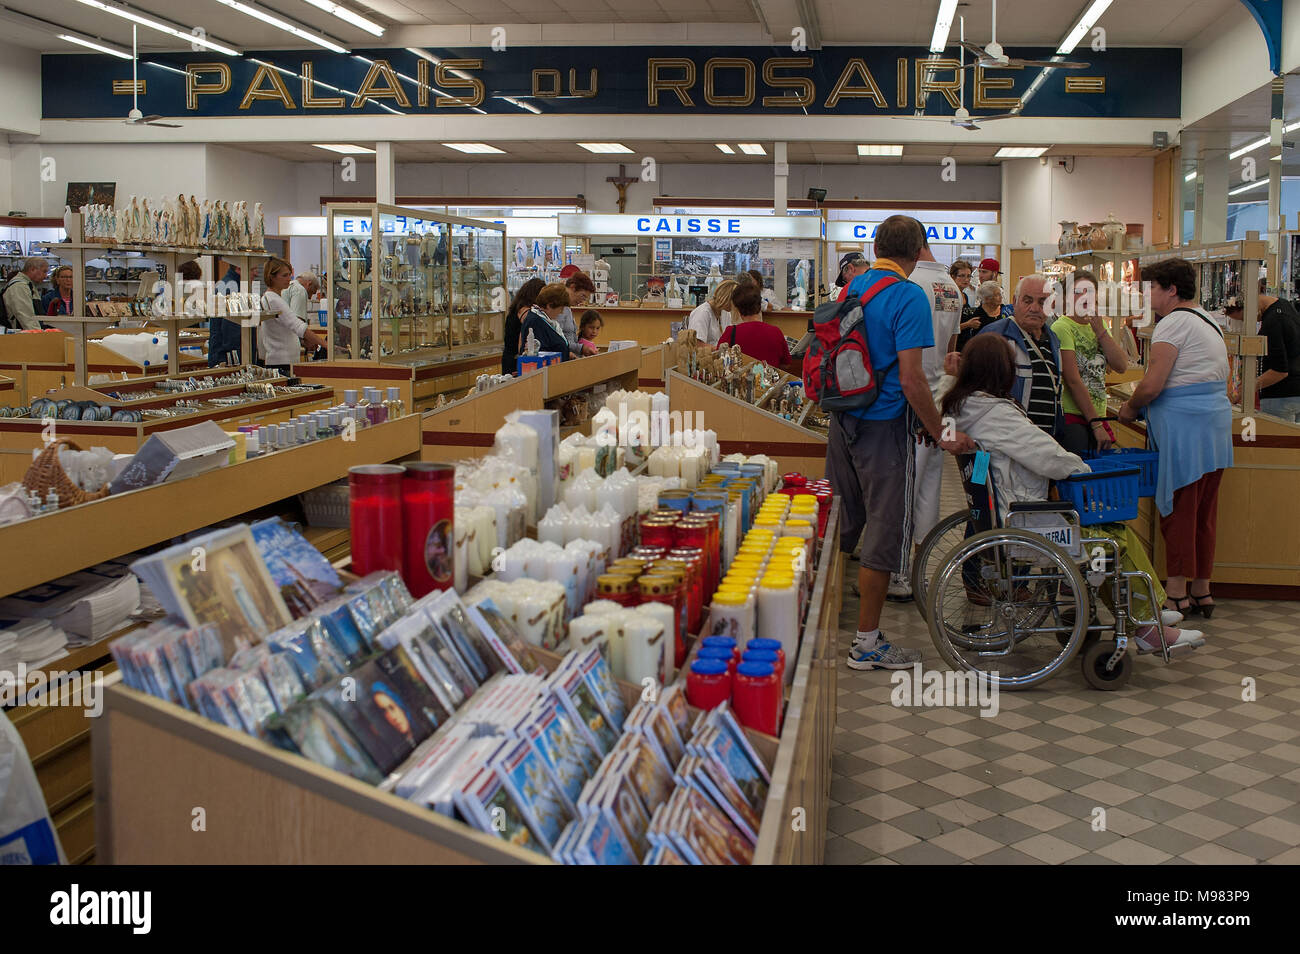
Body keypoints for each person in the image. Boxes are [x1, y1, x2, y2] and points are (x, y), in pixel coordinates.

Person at [944, 334, 1202, 652]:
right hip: (1025, 521)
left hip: (1006, 513)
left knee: (1109, 539)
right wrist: (1081, 469)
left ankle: (1145, 615)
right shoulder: (996, 414)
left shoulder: (965, 405)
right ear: (1003, 372)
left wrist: (949, 373)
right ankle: (1146, 624)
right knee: (1114, 539)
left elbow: (940, 397)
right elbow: (1046, 455)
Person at [823, 215, 973, 672]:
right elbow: (912, 379)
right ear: (919, 249)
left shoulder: (853, 288)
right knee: (886, 531)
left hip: (842, 419)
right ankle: (866, 642)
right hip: (885, 426)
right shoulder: (907, 295)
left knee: (840, 525)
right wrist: (944, 433)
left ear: (875, 244)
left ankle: (811, 620)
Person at [1119, 257, 1232, 621]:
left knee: (1179, 509)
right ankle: (1202, 588)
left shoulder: (1173, 324)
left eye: (1151, 286)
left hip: (1184, 429)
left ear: (1170, 289)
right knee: (1203, 512)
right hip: (1214, 427)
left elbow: (1152, 384)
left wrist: (1130, 409)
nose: (1146, 293)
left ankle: (1177, 591)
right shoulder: (1208, 320)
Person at [888, 230, 963, 602]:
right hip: (941, 399)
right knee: (929, 487)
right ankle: (921, 568)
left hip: (909, 398)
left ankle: (897, 572)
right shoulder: (954, 288)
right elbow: (952, 354)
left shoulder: (908, 285)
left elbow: (907, 360)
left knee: (903, 489)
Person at [1052, 270, 1130, 455]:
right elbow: (1073, 380)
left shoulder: (1097, 327)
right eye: (1078, 291)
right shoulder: (1062, 327)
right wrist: (1095, 425)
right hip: (1073, 416)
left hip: (1098, 414)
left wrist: (1101, 332)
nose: (1084, 297)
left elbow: (1121, 366)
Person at [978, 274, 1064, 438]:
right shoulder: (995, 336)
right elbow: (975, 395)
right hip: (1005, 443)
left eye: (1042, 302)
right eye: (1027, 300)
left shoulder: (1052, 339)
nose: (1034, 308)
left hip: (1045, 443)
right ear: (1014, 301)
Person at [1225, 280, 1300, 422]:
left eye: (1244, 318)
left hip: (1280, 397)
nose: (1249, 322)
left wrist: (1244, 390)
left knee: (1276, 442)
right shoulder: (1284, 306)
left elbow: (1280, 370)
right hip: (1293, 394)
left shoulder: (1273, 322)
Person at [257, 257, 326, 375]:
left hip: (284, 361)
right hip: (281, 363)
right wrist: (325, 344)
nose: (289, 279)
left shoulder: (275, 298)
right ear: (272, 277)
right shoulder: (274, 300)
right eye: (284, 275)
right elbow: (298, 326)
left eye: (289, 275)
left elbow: (287, 328)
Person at [716, 282, 790, 368]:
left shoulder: (731, 332)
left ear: (737, 308)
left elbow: (718, 359)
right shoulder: (776, 332)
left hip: (740, 380)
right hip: (771, 380)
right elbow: (786, 364)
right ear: (759, 305)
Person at [520, 282, 575, 362]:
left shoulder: (547, 321)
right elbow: (540, 353)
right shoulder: (535, 322)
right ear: (549, 305)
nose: (561, 312)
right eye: (561, 308)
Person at [502, 278, 544, 375]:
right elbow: (523, 340)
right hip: (517, 361)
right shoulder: (527, 313)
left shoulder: (515, 310)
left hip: (510, 357)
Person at [956, 280, 1010, 351]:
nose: (1001, 297)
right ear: (987, 299)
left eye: (1000, 294)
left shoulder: (1006, 311)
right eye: (997, 295)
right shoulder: (976, 317)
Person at [209, 262, 242, 366]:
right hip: (228, 356)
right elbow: (231, 330)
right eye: (253, 269)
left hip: (224, 353)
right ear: (239, 268)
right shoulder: (231, 288)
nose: (256, 273)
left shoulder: (232, 284)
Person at [557, 270, 595, 358]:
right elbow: (558, 340)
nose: (583, 301)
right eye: (583, 296)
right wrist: (582, 348)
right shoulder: (559, 308)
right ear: (573, 287)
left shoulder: (567, 307)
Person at [2, 256, 49, 330]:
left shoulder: (27, 285)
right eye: (44, 271)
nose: (46, 276)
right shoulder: (20, 286)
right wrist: (39, 336)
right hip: (22, 336)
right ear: (32, 269)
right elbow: (26, 317)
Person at [687, 279, 737, 346]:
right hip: (704, 355)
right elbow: (697, 344)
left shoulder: (725, 312)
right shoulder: (702, 313)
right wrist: (720, 349)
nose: (736, 304)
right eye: (734, 300)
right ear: (725, 298)